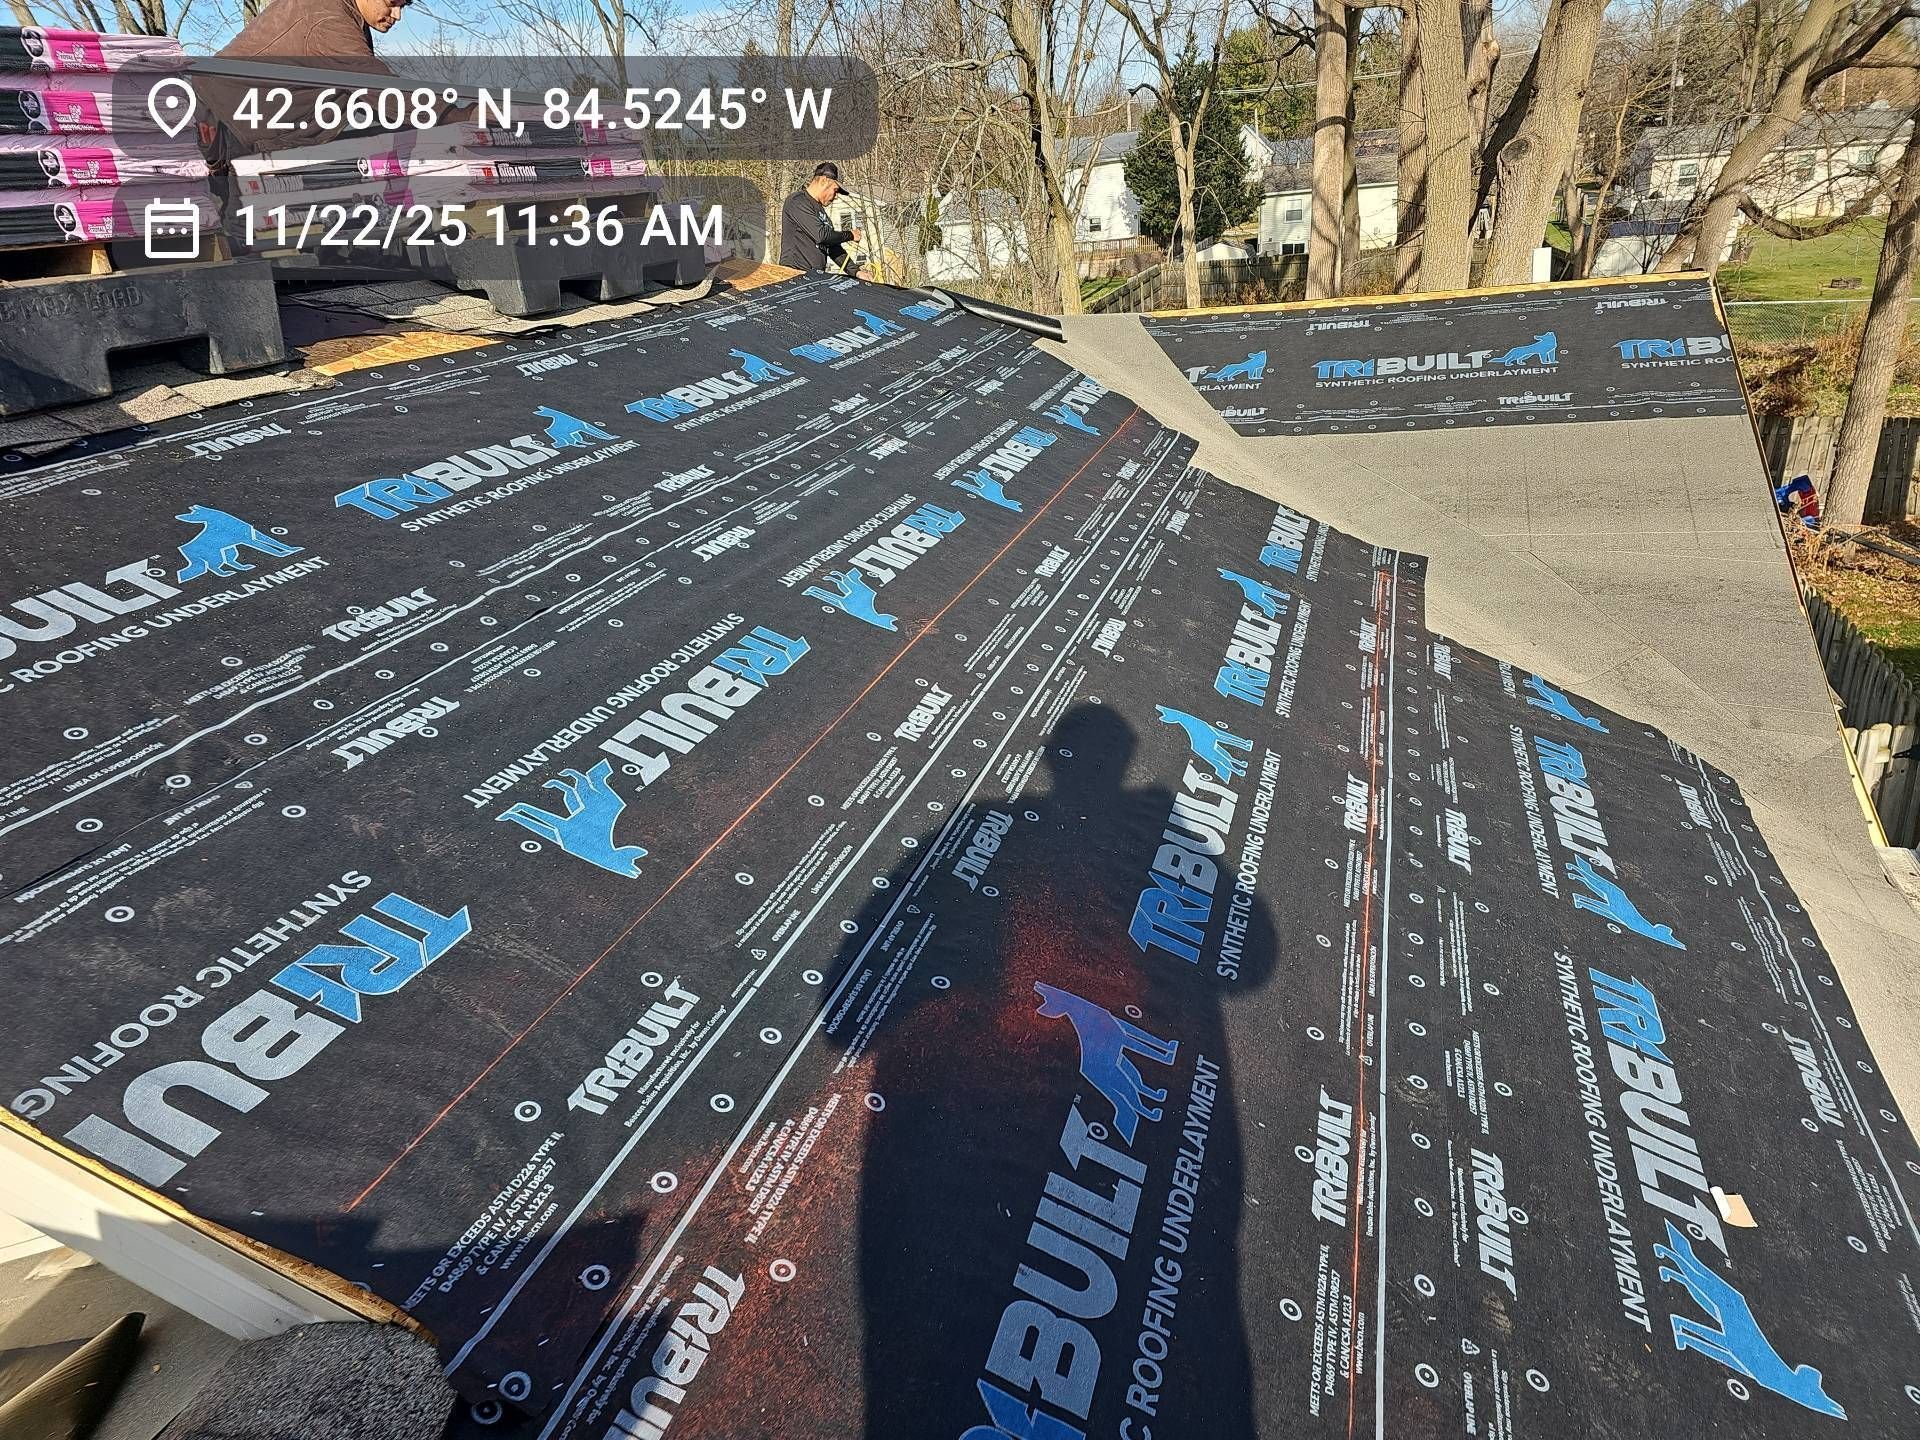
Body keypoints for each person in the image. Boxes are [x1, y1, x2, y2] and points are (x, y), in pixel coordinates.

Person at [780, 161, 863, 274]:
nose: (836, 196)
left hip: (815, 277)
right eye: (835, 190)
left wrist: (856, 271)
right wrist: (850, 235)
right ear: (824, 181)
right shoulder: (797, 201)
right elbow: (821, 236)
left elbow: (832, 247)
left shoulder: (821, 212)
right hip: (794, 275)